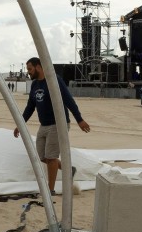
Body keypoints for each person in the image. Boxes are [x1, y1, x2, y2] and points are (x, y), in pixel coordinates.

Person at [13, 57, 90, 195]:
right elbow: (30, 107)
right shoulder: (35, 85)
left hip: (58, 124)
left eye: (30, 69)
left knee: (51, 157)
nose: (28, 72)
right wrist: (20, 123)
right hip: (44, 125)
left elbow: (68, 100)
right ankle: (69, 170)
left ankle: (50, 190)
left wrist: (79, 119)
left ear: (38, 67)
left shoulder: (54, 80)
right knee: (42, 156)